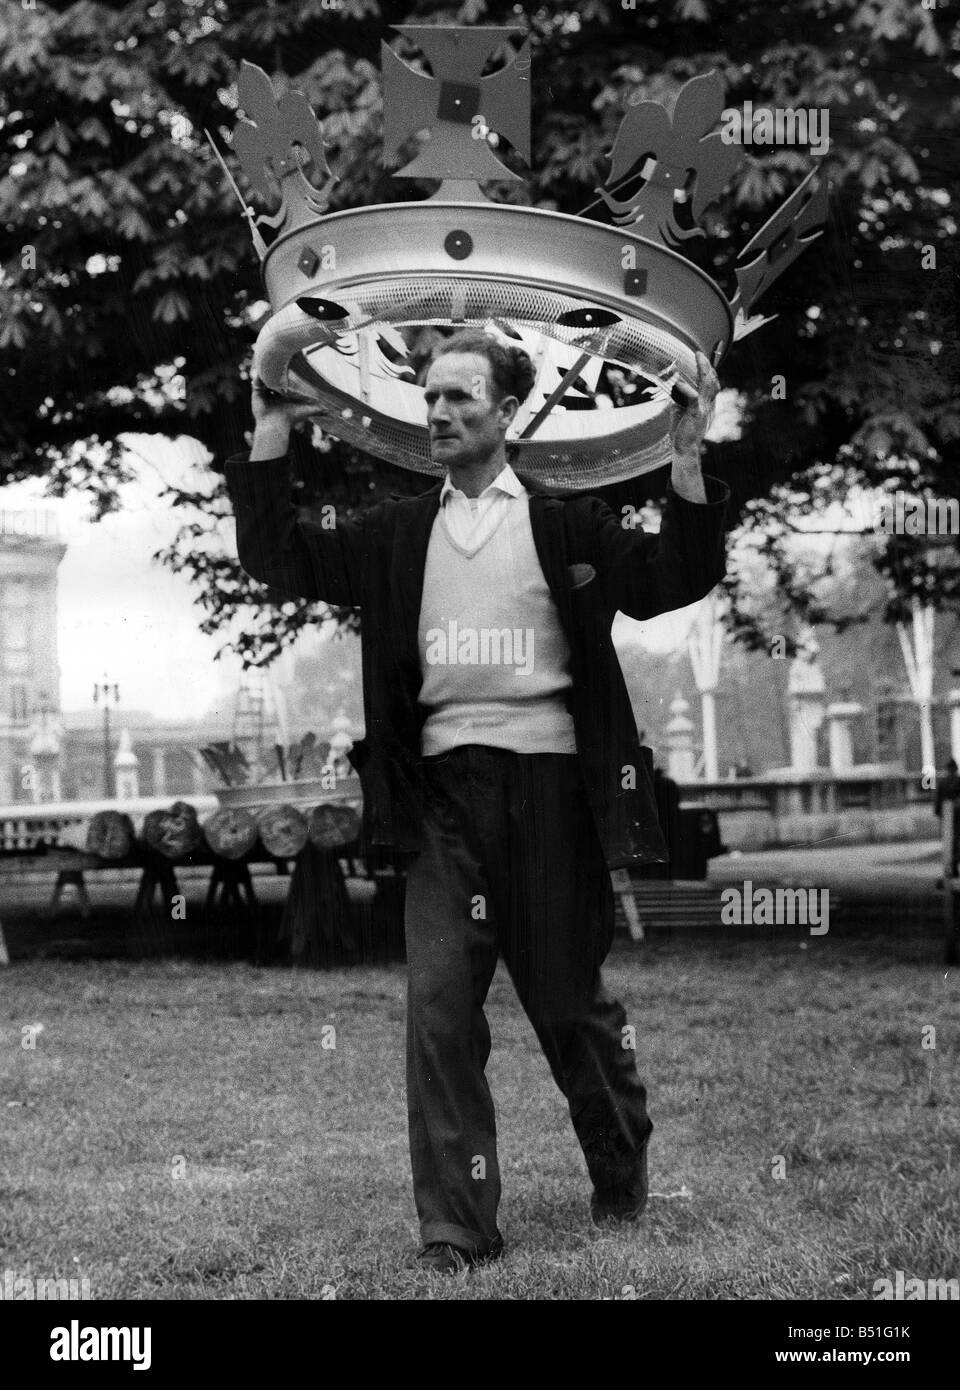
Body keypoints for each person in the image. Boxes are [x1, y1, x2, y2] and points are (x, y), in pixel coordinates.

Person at [224, 330, 729, 1273]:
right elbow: (278, 557)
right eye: (430, 397)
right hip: (441, 804)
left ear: (507, 412)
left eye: (461, 396)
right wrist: (268, 433)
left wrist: (688, 453)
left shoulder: (568, 527)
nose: (441, 412)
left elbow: (678, 577)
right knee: (441, 1009)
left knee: (568, 1005)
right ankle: (457, 1226)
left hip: (550, 794)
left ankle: (620, 1171)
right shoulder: (392, 533)